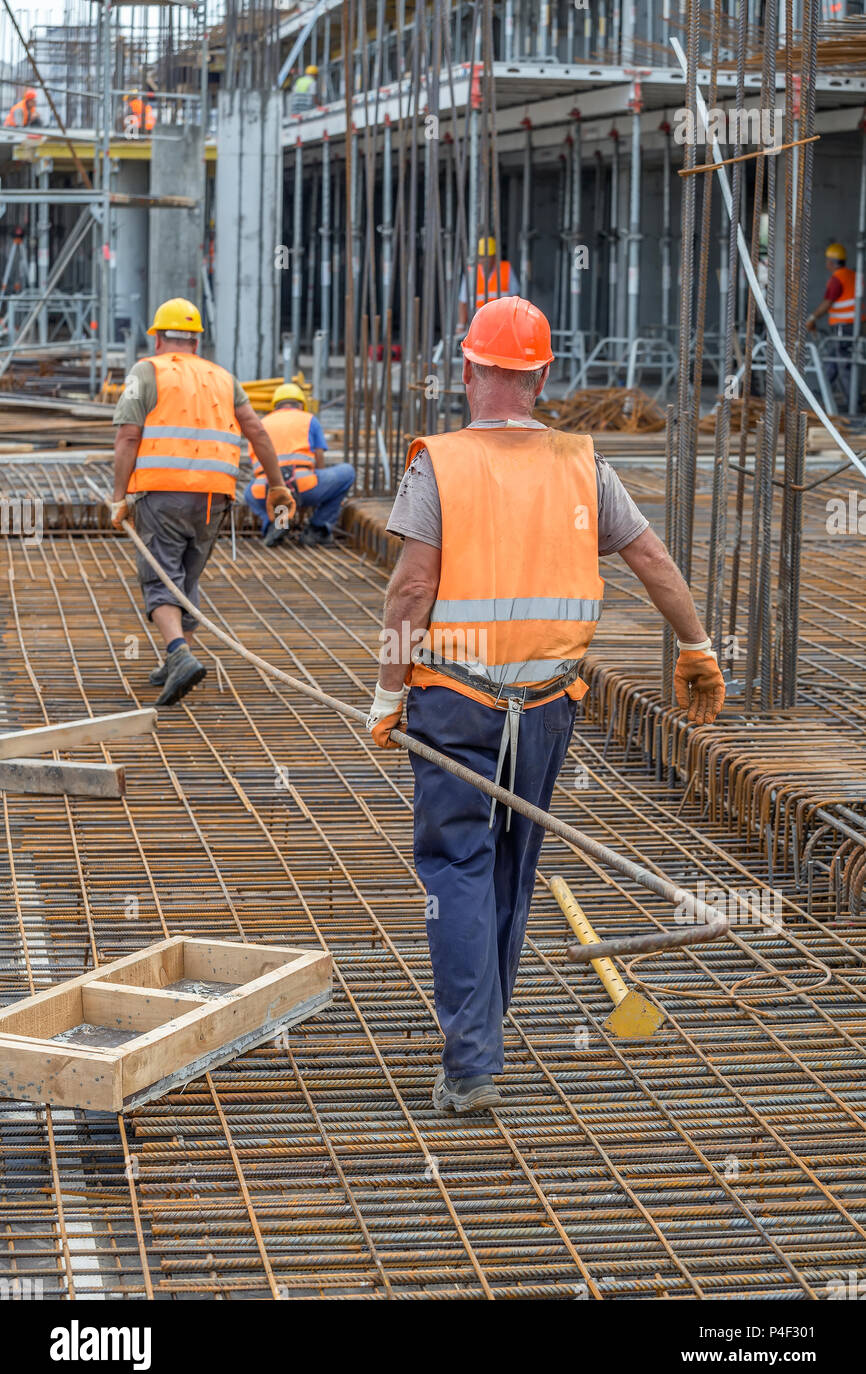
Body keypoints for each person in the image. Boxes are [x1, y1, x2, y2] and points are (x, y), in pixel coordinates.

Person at [367, 295, 725, 1115]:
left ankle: (471, 1061)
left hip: (455, 705)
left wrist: (388, 692)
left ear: (469, 369)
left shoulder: (442, 463)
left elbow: (410, 591)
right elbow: (651, 556)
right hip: (547, 707)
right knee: (509, 869)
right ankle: (479, 1041)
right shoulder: (581, 462)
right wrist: (697, 646)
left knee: (457, 867)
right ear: (541, 375)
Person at [110, 297, 293, 705]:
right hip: (215, 496)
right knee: (187, 575)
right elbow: (257, 433)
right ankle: (179, 655)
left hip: (162, 493)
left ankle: (178, 654)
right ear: (196, 341)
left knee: (160, 575)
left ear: (157, 337)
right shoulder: (223, 377)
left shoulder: (147, 371)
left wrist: (118, 497)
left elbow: (127, 436)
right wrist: (277, 484)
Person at [243, 382, 355, 547]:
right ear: (301, 404)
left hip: (266, 491)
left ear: (274, 406)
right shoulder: (309, 419)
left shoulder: (261, 423)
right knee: (347, 472)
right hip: (304, 486)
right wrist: (320, 488)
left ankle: (276, 523)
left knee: (248, 492)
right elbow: (319, 457)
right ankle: (317, 528)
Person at [807, 242, 863, 408]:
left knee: (843, 363)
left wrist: (812, 318)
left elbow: (827, 303)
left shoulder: (837, 279)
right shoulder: (854, 275)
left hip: (844, 327)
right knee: (833, 359)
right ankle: (822, 392)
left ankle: (853, 402)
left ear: (831, 262)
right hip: (855, 325)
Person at [457, 236, 521, 328]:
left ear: (495, 257)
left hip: (501, 323)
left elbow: (516, 299)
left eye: (488, 257)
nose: (485, 260)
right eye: (482, 257)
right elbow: (463, 301)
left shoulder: (505, 269)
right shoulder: (471, 273)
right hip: (478, 323)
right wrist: (461, 325)